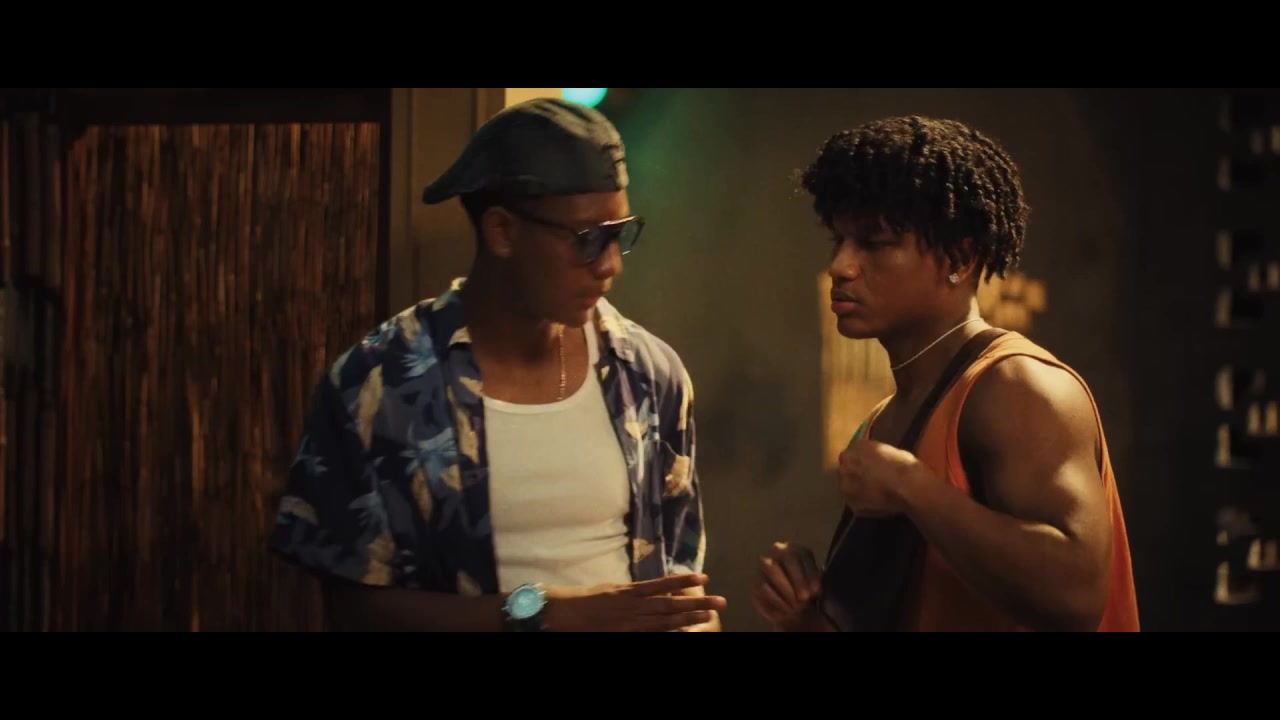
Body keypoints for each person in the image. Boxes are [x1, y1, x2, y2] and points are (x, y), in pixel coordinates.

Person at [270, 97, 724, 632]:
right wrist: (546, 614)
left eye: (620, 233)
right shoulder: (377, 384)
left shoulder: (648, 374)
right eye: (588, 240)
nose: (610, 265)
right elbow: (352, 608)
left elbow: (680, 581)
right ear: (502, 231)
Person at [753, 115, 1140, 632]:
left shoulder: (1016, 386)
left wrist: (912, 486)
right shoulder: (883, 421)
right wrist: (805, 616)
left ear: (959, 258)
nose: (841, 266)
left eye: (874, 242)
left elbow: (1077, 596)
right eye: (839, 240)